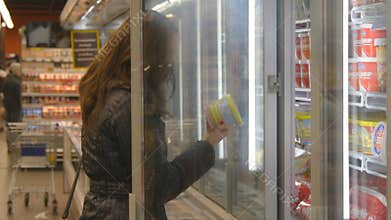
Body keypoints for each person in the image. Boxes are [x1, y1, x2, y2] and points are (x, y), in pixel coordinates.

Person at [79, 11, 229, 220]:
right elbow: (158, 185)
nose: (168, 70)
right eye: (166, 62)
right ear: (149, 59)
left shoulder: (107, 93)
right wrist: (207, 146)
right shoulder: (129, 105)